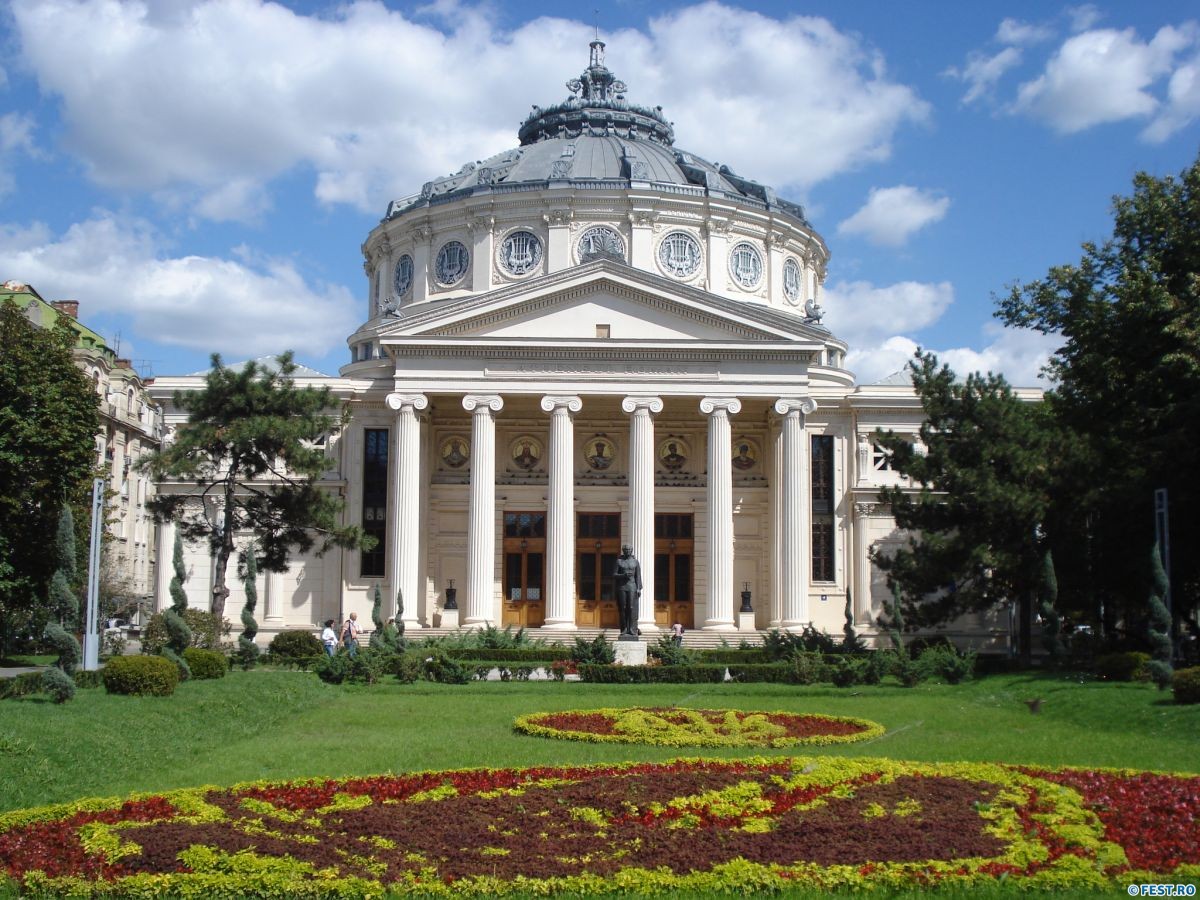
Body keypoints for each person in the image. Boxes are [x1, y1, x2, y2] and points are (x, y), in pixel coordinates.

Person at [613, 544, 642, 639]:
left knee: (631, 608)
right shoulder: (619, 561)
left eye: (629, 549)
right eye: (625, 550)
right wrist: (623, 575)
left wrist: (638, 588)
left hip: (632, 587)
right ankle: (624, 629)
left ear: (631, 550)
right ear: (623, 551)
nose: (627, 551)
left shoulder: (635, 562)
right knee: (623, 608)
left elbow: (638, 576)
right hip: (622, 587)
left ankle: (632, 629)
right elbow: (614, 575)